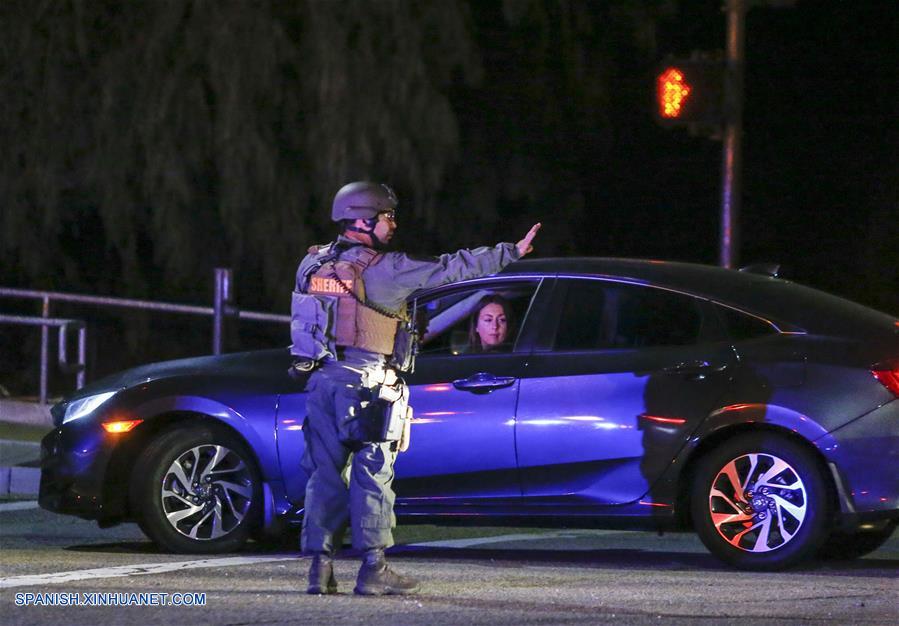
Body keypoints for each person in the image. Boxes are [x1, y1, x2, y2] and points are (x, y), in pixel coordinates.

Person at [290, 181, 541, 596]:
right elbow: (451, 268)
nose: (393, 224)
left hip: (322, 381)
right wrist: (509, 252)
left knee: (324, 475)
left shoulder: (312, 263)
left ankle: (320, 568)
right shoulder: (387, 268)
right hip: (369, 384)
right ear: (362, 221)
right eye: (387, 216)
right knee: (373, 475)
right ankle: (373, 569)